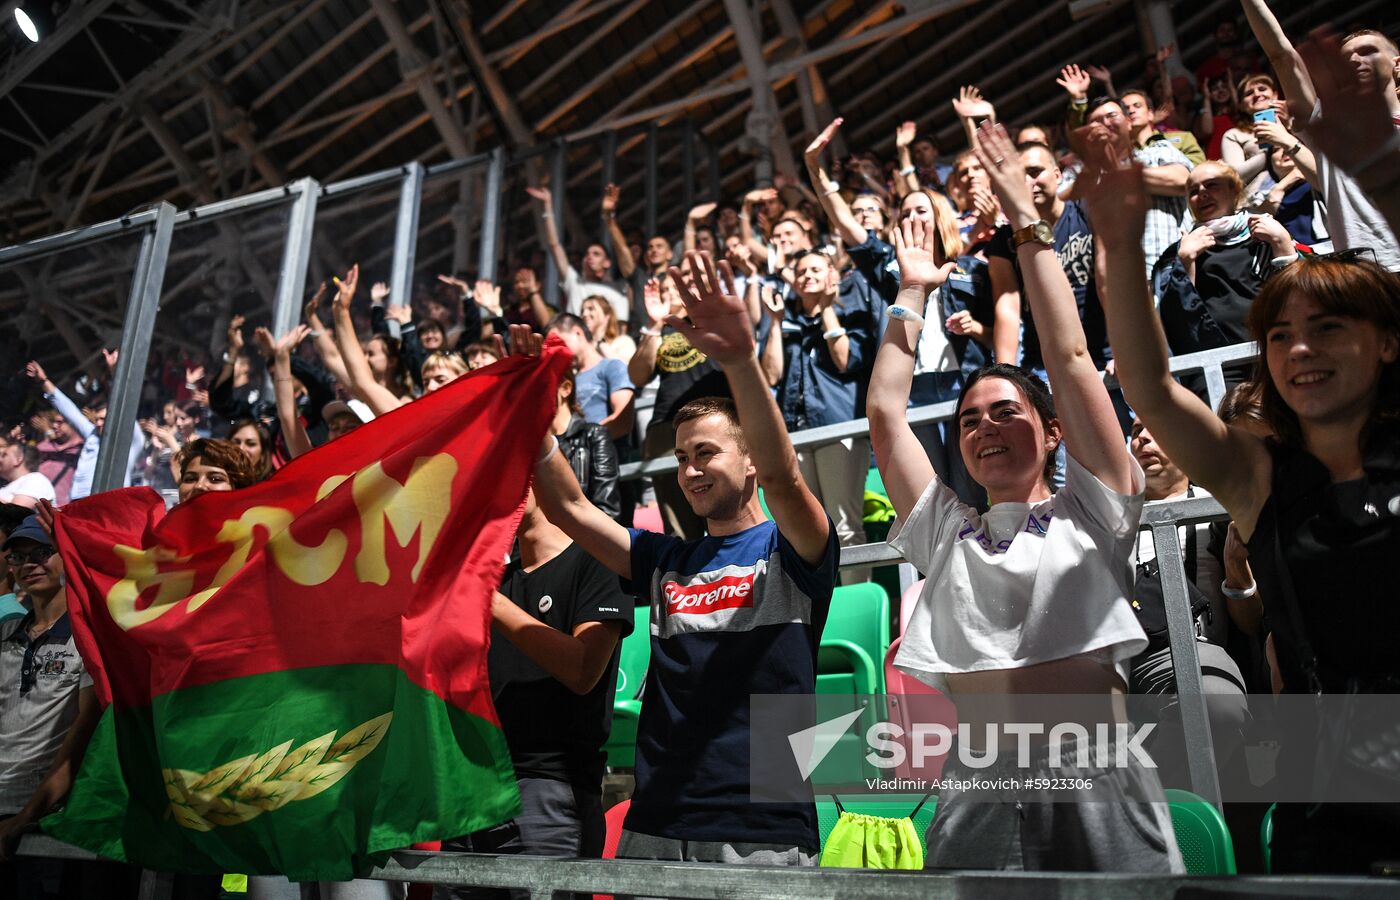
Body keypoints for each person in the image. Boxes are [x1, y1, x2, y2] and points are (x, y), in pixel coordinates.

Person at [1082, 27, 1400, 868]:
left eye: (1328, 329)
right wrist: (1118, 242)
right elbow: (1148, 389)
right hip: (1335, 805)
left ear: (1387, 344)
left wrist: (1377, 165)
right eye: (1280, 335)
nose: (1299, 351)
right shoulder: (1256, 476)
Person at [870, 123, 1180, 872]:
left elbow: (1072, 359)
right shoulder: (943, 536)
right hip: (977, 790)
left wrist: (1029, 228)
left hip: (1101, 779)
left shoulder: (1094, 508)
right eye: (969, 419)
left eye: (1007, 410)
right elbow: (885, 412)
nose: (985, 427)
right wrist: (912, 289)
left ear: (1051, 433)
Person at [523, 251, 838, 869]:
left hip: (764, 823)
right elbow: (569, 510)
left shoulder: (793, 547)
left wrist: (741, 360)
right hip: (661, 819)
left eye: (706, 453)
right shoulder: (665, 559)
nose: (690, 470)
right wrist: (533, 419)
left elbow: (784, 474)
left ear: (747, 462)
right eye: (682, 458)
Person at [436, 489, 632, 900]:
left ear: (540, 477)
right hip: (472, 796)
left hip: (548, 795)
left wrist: (487, 600)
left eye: (505, 474)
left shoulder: (596, 560)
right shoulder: (498, 580)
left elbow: (582, 671)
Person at [1126, 418, 1251, 787]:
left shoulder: (1218, 507)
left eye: (1156, 428)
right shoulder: (1108, 515)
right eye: (1134, 432)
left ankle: (1154, 818)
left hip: (1191, 651)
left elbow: (1251, 622)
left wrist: (1236, 572)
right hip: (1115, 660)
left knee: (1218, 705)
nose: (1144, 438)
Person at [1242, 1, 1400, 271]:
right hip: (1359, 278)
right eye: (1346, 55)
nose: (1354, 59)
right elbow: (1282, 55)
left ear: (1397, 65)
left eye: (1367, 51)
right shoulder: (1329, 127)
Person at [759, 249, 877, 581]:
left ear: (832, 274)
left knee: (844, 525)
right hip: (795, 435)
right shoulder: (786, 321)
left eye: (815, 269)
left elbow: (844, 361)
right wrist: (774, 322)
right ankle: (821, 609)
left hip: (836, 430)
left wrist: (826, 308)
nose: (807, 275)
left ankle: (854, 603)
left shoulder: (850, 313)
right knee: (807, 530)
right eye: (801, 271)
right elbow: (770, 374)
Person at [0, 515, 101, 881]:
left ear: (68, 556)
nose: (29, 564)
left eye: (43, 552)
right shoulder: (6, 633)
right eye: (18, 557)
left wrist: (28, 815)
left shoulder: (89, 638)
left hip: (44, 819)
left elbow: (83, 733)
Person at [1152, 160, 1298, 396]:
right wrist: (1185, 261)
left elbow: (1298, 298)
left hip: (1273, 359)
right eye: (1194, 191)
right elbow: (1172, 325)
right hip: (1213, 372)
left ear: (1235, 190)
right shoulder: (1177, 252)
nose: (1203, 194)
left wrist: (1282, 245)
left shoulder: (1266, 234)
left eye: (1212, 185)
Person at [627, 275, 729, 540]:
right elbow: (637, 376)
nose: (670, 293)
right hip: (667, 428)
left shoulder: (712, 319)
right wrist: (653, 325)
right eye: (664, 290)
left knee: (725, 512)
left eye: (676, 288)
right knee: (680, 527)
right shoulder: (660, 330)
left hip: (716, 420)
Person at [1079, 95, 1192, 281]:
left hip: (1170, 269)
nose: (1105, 124)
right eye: (1096, 122)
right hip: (1124, 283)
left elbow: (1181, 181)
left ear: (1127, 122)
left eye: (1112, 116)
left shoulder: (1158, 149)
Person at [26, 359, 144, 501]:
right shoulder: (92, 434)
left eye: (104, 419)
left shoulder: (129, 443)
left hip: (108, 503)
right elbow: (68, 409)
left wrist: (114, 373)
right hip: (77, 502)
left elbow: (126, 406)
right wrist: (43, 381)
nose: (98, 423)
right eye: (97, 419)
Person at [527, 186, 631, 328]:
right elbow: (555, 246)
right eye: (587, 254)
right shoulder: (574, 283)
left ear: (607, 263)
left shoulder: (617, 292)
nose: (589, 257)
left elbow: (621, 330)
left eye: (596, 254)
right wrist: (547, 207)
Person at [548, 314, 634, 441]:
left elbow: (622, 420)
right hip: (574, 455)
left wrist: (582, 441)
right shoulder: (568, 381)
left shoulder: (612, 367)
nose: (557, 353)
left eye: (559, 344)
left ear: (577, 333)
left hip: (610, 454)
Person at [0, 435, 56, 510]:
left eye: (4, 455)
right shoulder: (6, 485)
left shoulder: (35, 479)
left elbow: (17, 513)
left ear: (18, 458)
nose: (0, 459)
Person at [579, 295, 635, 363]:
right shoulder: (580, 348)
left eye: (591, 309)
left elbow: (626, 368)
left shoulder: (623, 342)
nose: (584, 314)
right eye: (582, 311)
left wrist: (600, 344)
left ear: (607, 316)